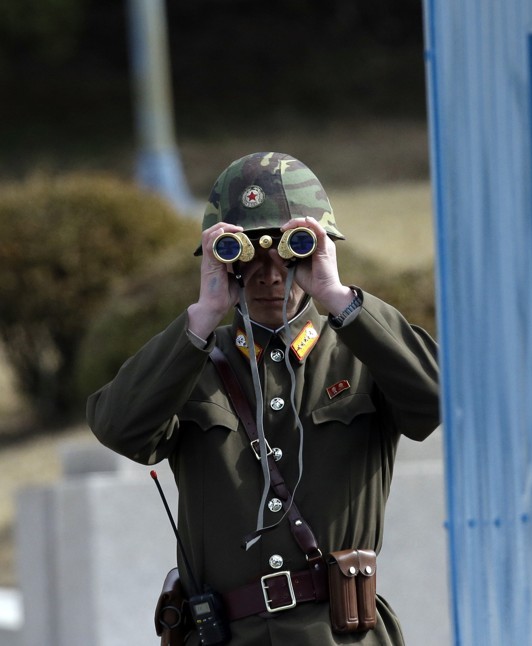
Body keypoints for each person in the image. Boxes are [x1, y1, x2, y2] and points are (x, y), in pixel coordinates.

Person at [87, 152, 441, 645]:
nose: (269, 273)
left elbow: (438, 399)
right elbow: (118, 428)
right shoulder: (193, 369)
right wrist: (204, 314)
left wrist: (339, 298)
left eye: (290, 249)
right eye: (246, 253)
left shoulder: (361, 357)